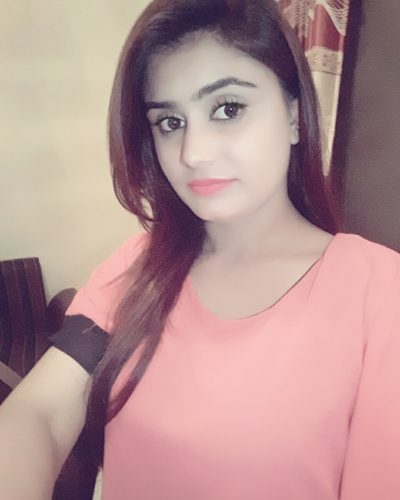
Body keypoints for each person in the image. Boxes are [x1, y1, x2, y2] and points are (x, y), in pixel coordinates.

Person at [1, 0, 399, 499]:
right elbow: (40, 412)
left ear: (295, 115)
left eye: (228, 109)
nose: (194, 153)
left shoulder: (379, 291)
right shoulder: (139, 264)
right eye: (170, 122)